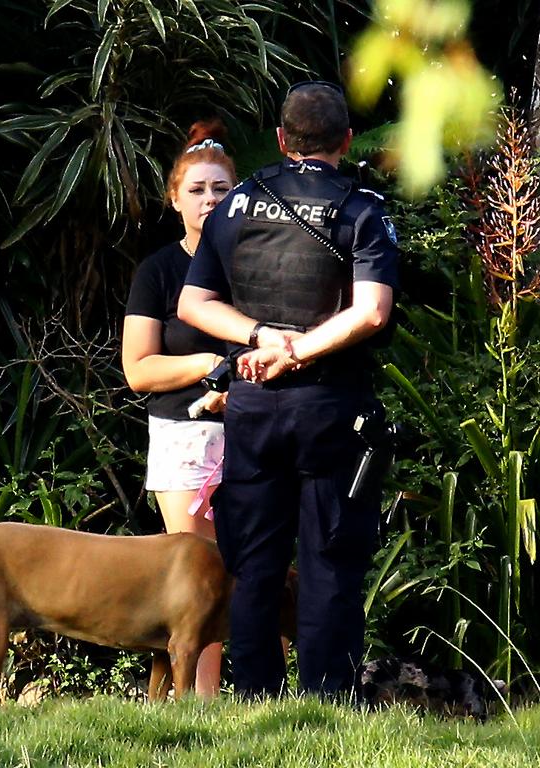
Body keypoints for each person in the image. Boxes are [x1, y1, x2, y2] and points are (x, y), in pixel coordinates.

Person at [177, 81, 399, 698]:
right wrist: (296, 349)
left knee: (254, 565)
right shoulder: (360, 209)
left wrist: (260, 338)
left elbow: (194, 303)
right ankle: (327, 701)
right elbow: (373, 312)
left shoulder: (237, 204)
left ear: (280, 139)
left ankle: (254, 699)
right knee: (329, 561)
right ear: (347, 141)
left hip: (252, 405)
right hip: (330, 406)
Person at [121, 119, 237, 698]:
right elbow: (139, 370)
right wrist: (211, 365)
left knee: (254, 574)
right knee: (199, 582)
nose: (210, 200)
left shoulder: (256, 266)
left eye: (221, 189)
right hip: (184, 438)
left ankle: (253, 702)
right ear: (174, 198)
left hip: (254, 435)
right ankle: (200, 709)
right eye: (197, 190)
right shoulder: (159, 271)